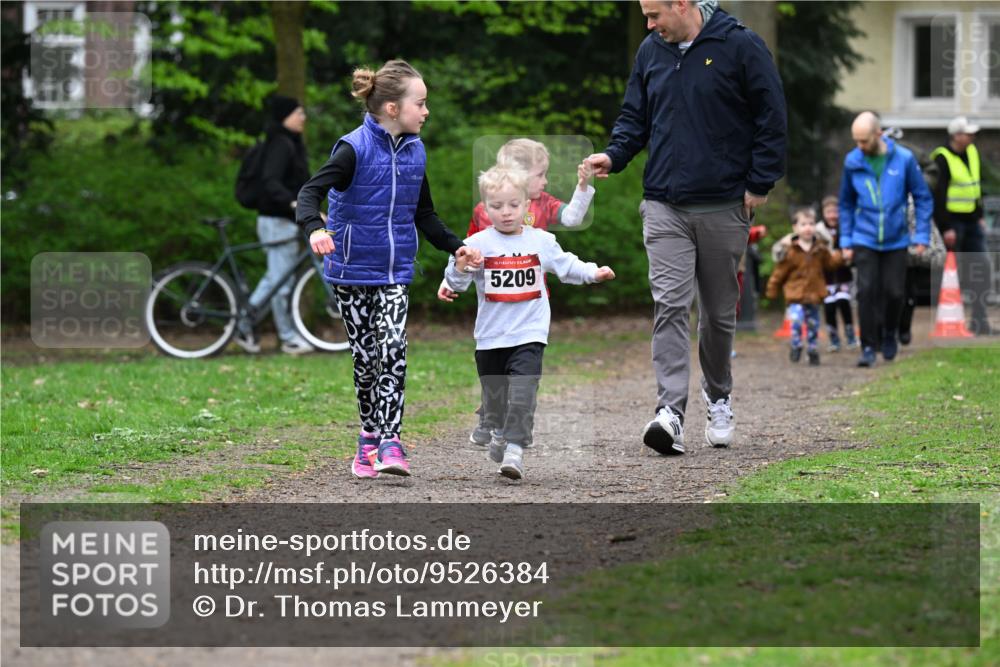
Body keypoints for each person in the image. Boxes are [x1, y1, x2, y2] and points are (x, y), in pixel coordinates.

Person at [584, 0, 787, 454]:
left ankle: (719, 395)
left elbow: (771, 116)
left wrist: (760, 181)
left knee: (717, 314)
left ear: (683, 4)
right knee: (670, 304)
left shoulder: (740, 46)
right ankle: (670, 412)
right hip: (664, 203)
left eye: (655, 14)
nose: (648, 24)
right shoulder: (651, 51)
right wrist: (614, 155)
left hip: (724, 202)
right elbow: (635, 117)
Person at [296, 60, 482, 479]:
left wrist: (457, 248)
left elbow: (425, 214)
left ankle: (391, 442)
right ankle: (368, 436)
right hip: (349, 271)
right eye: (421, 103)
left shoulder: (416, 151)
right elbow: (310, 193)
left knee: (394, 347)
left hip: (395, 271)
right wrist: (315, 229)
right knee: (366, 361)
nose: (427, 111)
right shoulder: (352, 148)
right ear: (394, 109)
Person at [442, 166, 615, 479]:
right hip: (491, 338)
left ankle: (515, 452)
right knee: (494, 404)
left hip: (529, 334)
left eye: (513, 205)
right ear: (484, 207)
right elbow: (456, 282)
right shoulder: (476, 243)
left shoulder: (542, 241)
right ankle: (496, 428)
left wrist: (593, 272)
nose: (506, 213)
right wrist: (459, 268)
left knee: (523, 394)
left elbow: (567, 266)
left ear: (526, 205)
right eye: (497, 206)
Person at [437, 138, 595, 304]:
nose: (545, 181)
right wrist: (449, 280)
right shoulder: (485, 209)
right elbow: (467, 253)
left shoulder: (545, 202)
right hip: (495, 304)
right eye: (540, 174)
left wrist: (583, 187)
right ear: (520, 174)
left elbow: (572, 218)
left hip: (533, 300)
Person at [838, 111, 932, 367]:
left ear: (879, 134)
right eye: (856, 141)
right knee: (866, 292)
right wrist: (846, 240)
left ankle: (890, 334)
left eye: (864, 141)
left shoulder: (903, 159)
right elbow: (845, 204)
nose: (860, 147)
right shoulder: (853, 161)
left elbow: (922, 197)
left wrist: (921, 234)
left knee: (894, 292)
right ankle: (868, 346)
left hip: (896, 238)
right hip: (864, 236)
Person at [236, 95, 314, 355]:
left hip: (280, 220)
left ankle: (249, 325)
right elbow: (271, 182)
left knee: (278, 279)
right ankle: (284, 336)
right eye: (299, 113)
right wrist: (294, 204)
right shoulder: (281, 144)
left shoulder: (287, 142)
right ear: (285, 116)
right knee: (280, 281)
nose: (303, 118)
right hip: (276, 220)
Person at [930, 116, 993, 336]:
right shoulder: (942, 158)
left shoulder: (972, 152)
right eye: (968, 133)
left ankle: (979, 319)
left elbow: (974, 187)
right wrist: (946, 227)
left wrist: (979, 215)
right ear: (956, 135)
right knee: (953, 273)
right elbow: (937, 196)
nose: (972, 137)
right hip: (953, 222)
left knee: (981, 268)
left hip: (972, 221)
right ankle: (951, 318)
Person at [766, 207, 843, 365]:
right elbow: (779, 273)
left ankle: (813, 349)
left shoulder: (820, 248)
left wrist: (841, 255)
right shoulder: (791, 250)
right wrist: (772, 289)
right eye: (803, 224)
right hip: (795, 295)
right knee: (796, 321)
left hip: (814, 294)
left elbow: (830, 263)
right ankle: (796, 345)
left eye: (811, 223)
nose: (808, 227)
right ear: (795, 227)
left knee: (813, 325)